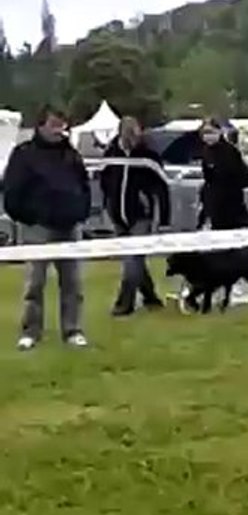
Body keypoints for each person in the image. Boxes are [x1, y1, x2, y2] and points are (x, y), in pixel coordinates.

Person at [2, 105, 90, 351]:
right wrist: (27, 217)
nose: (58, 129)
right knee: (34, 283)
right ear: (41, 125)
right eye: (53, 124)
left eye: (61, 124)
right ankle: (31, 331)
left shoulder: (71, 155)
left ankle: (72, 330)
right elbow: (11, 191)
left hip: (69, 226)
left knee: (73, 283)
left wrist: (80, 211)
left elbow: (83, 185)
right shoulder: (24, 154)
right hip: (37, 227)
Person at [100, 116, 169, 316]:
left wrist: (163, 218)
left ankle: (124, 303)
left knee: (132, 260)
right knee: (135, 260)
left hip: (141, 215)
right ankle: (151, 298)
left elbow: (161, 187)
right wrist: (109, 201)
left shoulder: (148, 156)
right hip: (118, 214)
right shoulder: (112, 153)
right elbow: (105, 179)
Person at [196, 117, 248, 230]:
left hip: (231, 199)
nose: (208, 136)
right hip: (215, 201)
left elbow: (238, 174)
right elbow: (208, 177)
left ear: (219, 132)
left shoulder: (229, 151)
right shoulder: (206, 151)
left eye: (211, 132)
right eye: (205, 133)